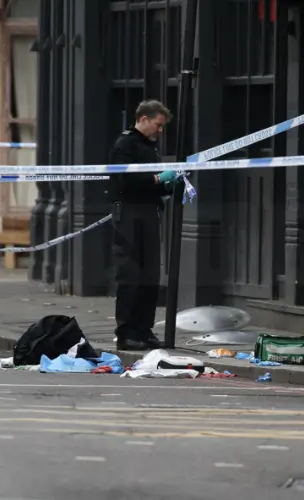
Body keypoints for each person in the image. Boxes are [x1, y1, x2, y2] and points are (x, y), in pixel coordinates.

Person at [109, 100, 179, 351]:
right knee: (130, 274)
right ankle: (126, 332)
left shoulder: (150, 146)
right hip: (129, 213)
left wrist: (165, 186)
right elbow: (123, 180)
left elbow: (151, 181)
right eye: (158, 125)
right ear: (144, 119)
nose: (160, 131)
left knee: (150, 274)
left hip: (149, 212)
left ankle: (144, 329)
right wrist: (157, 178)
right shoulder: (125, 144)